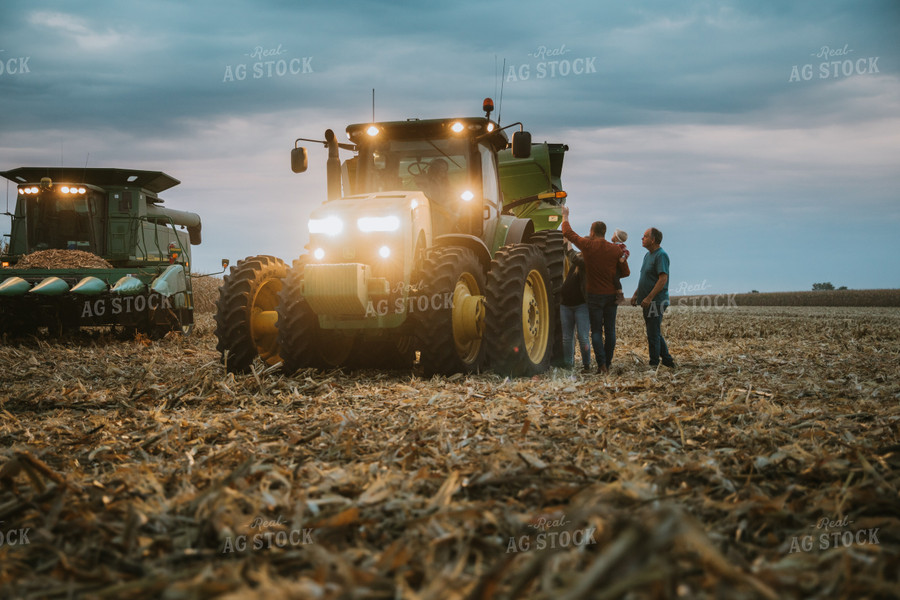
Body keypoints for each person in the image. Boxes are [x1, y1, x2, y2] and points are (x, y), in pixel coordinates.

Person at [561, 205, 629, 374]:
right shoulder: (615, 249)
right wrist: (616, 268)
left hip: (594, 296)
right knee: (610, 331)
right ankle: (609, 362)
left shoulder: (588, 246)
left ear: (592, 232)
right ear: (605, 232)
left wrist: (565, 216)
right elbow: (626, 272)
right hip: (611, 296)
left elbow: (569, 234)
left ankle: (602, 365)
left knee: (596, 331)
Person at [631, 227, 675, 369]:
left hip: (656, 301)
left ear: (653, 239)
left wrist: (649, 297)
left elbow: (662, 279)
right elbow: (645, 277)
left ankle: (654, 364)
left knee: (653, 334)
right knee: (654, 331)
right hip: (647, 301)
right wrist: (636, 294)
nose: (642, 238)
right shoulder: (647, 255)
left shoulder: (661, 255)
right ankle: (668, 361)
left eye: (645, 236)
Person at [559, 244, 592, 371]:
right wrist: (565, 241)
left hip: (581, 306)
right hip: (565, 305)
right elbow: (569, 253)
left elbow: (572, 255)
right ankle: (568, 364)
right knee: (567, 338)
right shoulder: (578, 257)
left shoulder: (587, 262)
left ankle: (586, 364)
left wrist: (568, 239)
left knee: (583, 337)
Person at [611, 229, 630, 305]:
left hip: (617, 267)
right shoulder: (612, 245)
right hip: (613, 266)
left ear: (616, 237)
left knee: (615, 279)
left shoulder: (620, 245)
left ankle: (620, 295)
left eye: (613, 234)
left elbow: (626, 252)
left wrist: (623, 257)